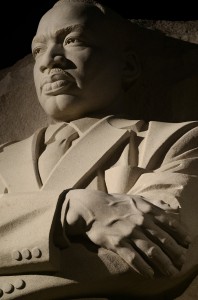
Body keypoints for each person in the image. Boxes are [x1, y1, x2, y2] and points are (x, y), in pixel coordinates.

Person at [0, 0, 197, 299]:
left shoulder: (179, 139)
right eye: (37, 49)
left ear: (128, 66)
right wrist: (73, 207)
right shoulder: (2, 158)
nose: (48, 60)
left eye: (72, 40)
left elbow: (163, 254)